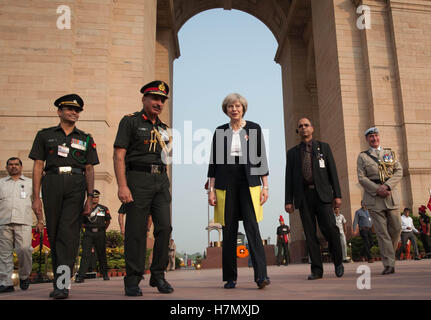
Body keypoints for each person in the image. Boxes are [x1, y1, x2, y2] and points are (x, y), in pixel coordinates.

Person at [29, 94, 99, 299]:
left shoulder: (86, 138)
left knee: (68, 236)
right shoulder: (45, 135)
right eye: (69, 109)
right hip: (51, 183)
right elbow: (38, 166)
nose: (74, 112)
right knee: (54, 234)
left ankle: (62, 283)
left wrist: (90, 196)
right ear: (59, 111)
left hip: (76, 186)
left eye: (77, 110)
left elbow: (89, 168)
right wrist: (36, 197)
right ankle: (59, 280)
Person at [113, 80, 173, 296]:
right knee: (136, 231)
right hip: (137, 179)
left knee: (164, 228)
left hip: (161, 181)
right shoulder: (129, 122)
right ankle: (133, 278)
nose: (159, 103)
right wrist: (122, 185)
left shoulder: (165, 129)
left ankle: (158, 275)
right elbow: (119, 154)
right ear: (144, 99)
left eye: (162, 100)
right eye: (155, 98)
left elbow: (168, 158)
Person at [208, 93, 270, 289]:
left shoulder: (253, 128)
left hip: (249, 180)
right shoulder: (220, 131)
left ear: (243, 108)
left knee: (252, 227)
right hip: (226, 182)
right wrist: (211, 189)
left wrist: (265, 186)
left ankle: (261, 276)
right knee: (229, 229)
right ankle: (230, 277)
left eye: (237, 106)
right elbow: (213, 163)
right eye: (230, 106)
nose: (234, 109)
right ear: (226, 110)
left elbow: (261, 158)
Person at [285, 117, 344, 280]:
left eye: (306, 125)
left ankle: (338, 262)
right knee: (310, 234)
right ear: (298, 131)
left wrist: (337, 195)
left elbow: (333, 172)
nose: (303, 128)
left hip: (323, 195)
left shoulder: (324, 148)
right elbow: (288, 178)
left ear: (312, 128)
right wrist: (288, 200)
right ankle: (317, 270)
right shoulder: (292, 153)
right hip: (304, 197)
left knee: (331, 228)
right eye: (300, 126)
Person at [357, 127, 402, 275]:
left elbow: (399, 171)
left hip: (390, 194)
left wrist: (387, 186)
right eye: (371, 137)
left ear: (379, 137)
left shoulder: (389, 153)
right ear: (367, 139)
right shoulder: (363, 157)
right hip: (374, 197)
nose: (374, 139)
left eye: (376, 136)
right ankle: (389, 263)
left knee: (396, 229)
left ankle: (390, 256)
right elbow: (361, 177)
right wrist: (378, 189)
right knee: (382, 233)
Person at [0, 157, 34, 293]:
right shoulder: (1, 183)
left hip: (23, 221)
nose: (13, 167)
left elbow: (37, 202)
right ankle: (6, 282)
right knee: (4, 254)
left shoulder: (30, 183)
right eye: (10, 165)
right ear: (7, 167)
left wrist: (40, 220)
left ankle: (24, 275)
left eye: (16, 164)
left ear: (21, 167)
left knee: (25, 249)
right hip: (4, 221)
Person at [75, 189, 112, 283]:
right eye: (94, 197)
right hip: (88, 233)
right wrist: (88, 228)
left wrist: (102, 229)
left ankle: (105, 274)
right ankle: (81, 276)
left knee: (101, 254)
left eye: (97, 197)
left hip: (100, 233)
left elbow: (107, 221)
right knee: (85, 254)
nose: (95, 199)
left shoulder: (103, 208)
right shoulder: (85, 208)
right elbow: (81, 222)